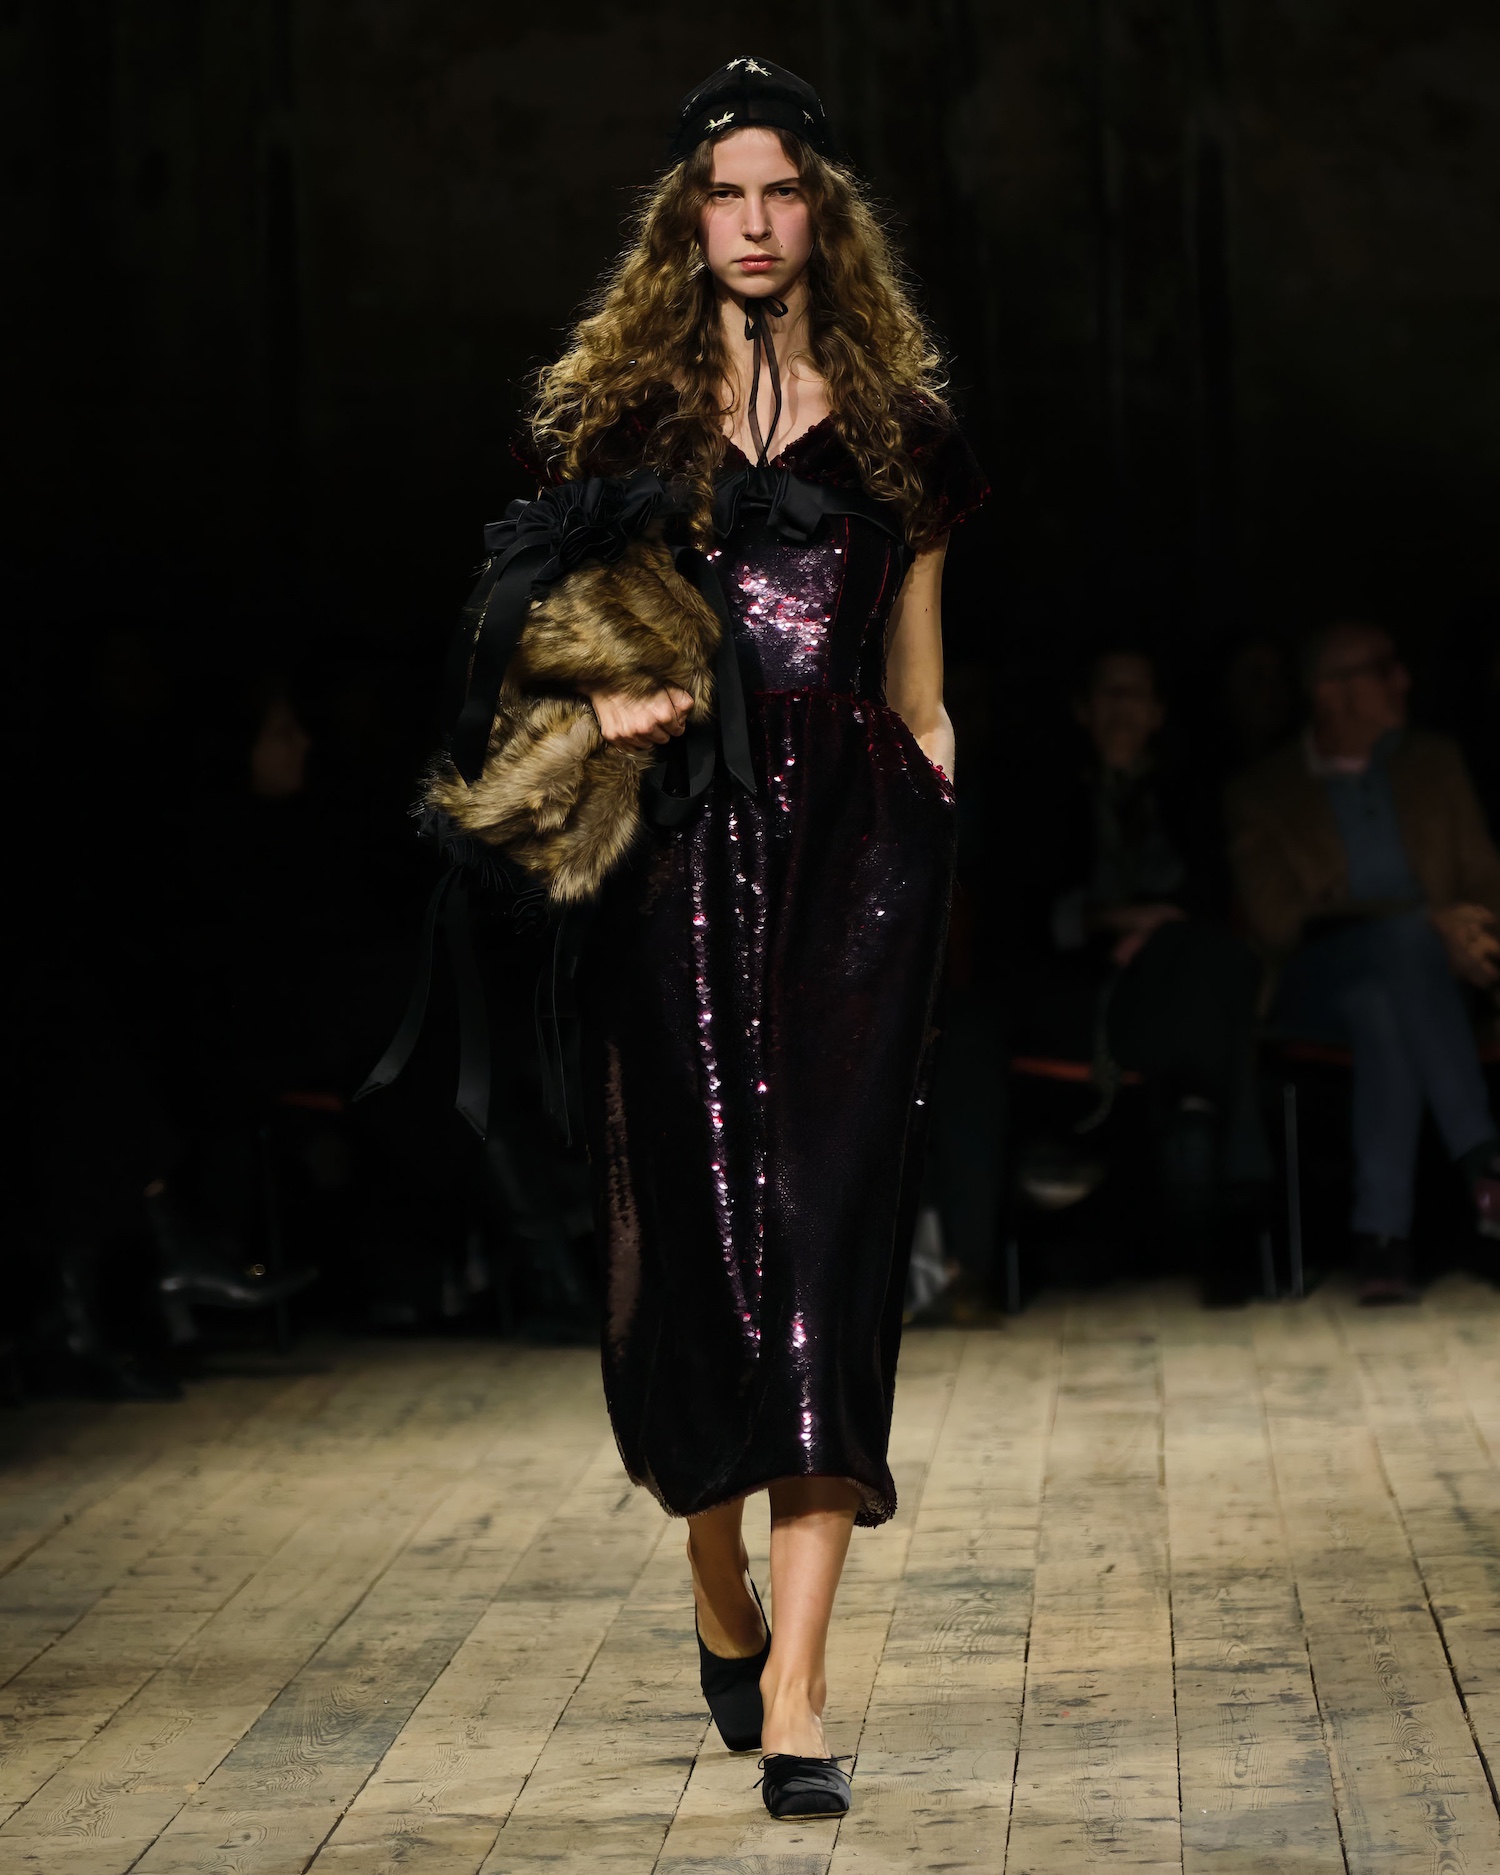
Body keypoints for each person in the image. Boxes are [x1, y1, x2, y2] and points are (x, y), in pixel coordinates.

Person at [433, 58, 984, 1819]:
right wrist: (600, 707)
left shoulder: (902, 431)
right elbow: (520, 651)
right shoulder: (613, 425)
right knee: (695, 1245)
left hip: (857, 864)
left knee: (825, 1250)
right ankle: (716, 1572)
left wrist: (930, 833)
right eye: (725, 194)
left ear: (825, 213)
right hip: (674, 863)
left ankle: (802, 1698)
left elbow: (921, 687)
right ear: (688, 219)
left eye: (782, 191)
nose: (755, 223)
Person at [1228, 619, 1500, 1301]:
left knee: (1381, 1007)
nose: (1403, 681)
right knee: (1402, 944)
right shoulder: (1265, 791)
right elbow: (1276, 920)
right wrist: (1424, 922)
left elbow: (1484, 878)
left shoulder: (1433, 762)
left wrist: (1469, 930)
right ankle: (1485, 1161)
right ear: (1331, 692)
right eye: (1384, 668)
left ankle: (1382, 1242)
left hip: (1432, 978)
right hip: (1316, 979)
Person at [1014, 646, 1269, 1302]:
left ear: (1157, 713)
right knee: (1217, 981)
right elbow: (1028, 916)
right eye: (1109, 692)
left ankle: (1200, 1133)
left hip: (1176, 980)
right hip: (1085, 994)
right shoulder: (1047, 797)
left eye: (1136, 695)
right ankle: (1238, 1205)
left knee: (1209, 958)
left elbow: (1217, 895)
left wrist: (1159, 934)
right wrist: (1121, 920)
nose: (1122, 708)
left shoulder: (1193, 797)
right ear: (1082, 709)